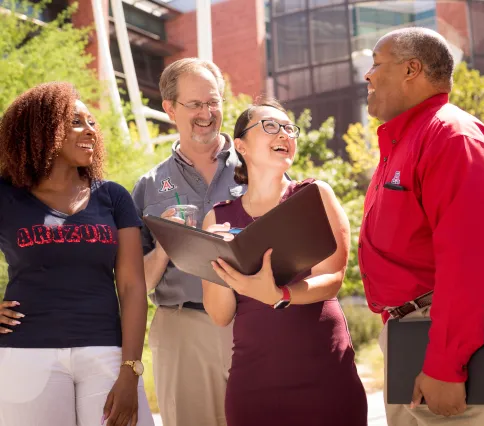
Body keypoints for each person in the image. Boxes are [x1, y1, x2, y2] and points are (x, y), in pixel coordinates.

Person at [359, 27, 484, 425]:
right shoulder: (404, 140)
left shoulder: (452, 138)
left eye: (376, 64)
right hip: (419, 329)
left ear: (412, 69)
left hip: (468, 329)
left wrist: (446, 364)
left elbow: (470, 260)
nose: (368, 76)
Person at [201, 99, 368, 426]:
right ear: (241, 146)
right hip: (253, 384)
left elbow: (332, 278)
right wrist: (218, 258)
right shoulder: (217, 217)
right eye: (270, 126)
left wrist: (280, 295)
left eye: (289, 128)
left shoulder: (315, 194)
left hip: (324, 374)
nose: (284, 134)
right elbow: (220, 315)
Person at [0, 82, 153, 426]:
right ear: (40, 130)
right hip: (26, 356)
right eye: (75, 122)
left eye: (93, 122)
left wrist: (131, 369)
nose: (91, 131)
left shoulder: (113, 197)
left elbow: (132, 288)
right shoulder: (6, 195)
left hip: (107, 354)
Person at [131, 58, 242, 426]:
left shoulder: (260, 165)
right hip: (183, 329)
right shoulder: (148, 187)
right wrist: (166, 245)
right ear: (169, 108)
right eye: (194, 104)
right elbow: (137, 284)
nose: (206, 114)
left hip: (255, 321)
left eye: (213, 102)